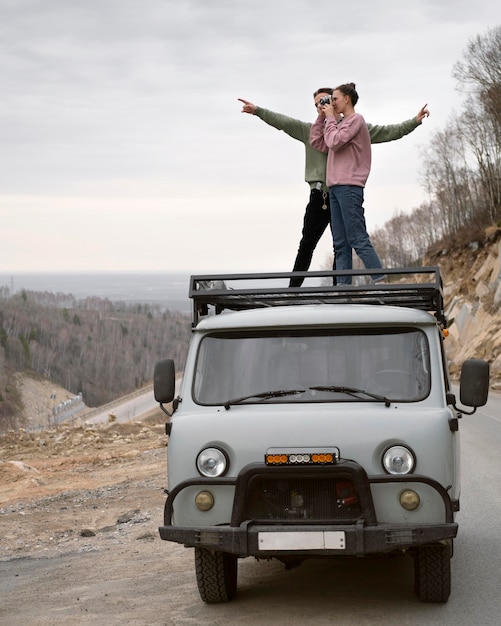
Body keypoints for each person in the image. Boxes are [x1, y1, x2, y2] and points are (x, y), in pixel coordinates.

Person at [239, 93, 429, 286]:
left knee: (344, 244)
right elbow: (283, 122)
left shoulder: (352, 127)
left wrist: (414, 121)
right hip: (320, 195)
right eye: (316, 104)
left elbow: (388, 131)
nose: (320, 106)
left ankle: (342, 288)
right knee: (307, 245)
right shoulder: (310, 130)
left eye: (325, 101)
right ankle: (293, 291)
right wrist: (257, 111)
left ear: (336, 101)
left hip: (343, 192)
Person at [310, 82, 382, 284]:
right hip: (335, 187)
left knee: (357, 239)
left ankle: (381, 282)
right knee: (340, 244)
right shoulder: (338, 124)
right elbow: (318, 142)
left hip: (349, 186)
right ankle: (343, 287)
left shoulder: (356, 121)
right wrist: (321, 116)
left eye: (335, 99)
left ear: (347, 99)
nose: (332, 103)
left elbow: (334, 141)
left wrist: (331, 117)